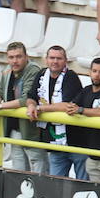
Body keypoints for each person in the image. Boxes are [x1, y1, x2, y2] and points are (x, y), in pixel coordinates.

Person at [0, 41, 46, 173]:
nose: (15, 61)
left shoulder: (33, 69)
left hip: (31, 127)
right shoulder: (7, 70)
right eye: (11, 57)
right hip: (14, 128)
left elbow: (25, 99)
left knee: (38, 164)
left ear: (26, 56)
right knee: (18, 168)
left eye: (18, 57)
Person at [65, 57, 100, 185]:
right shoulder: (85, 90)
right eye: (94, 71)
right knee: (97, 195)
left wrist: (80, 110)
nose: (97, 75)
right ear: (89, 72)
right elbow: (71, 106)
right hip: (91, 156)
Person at [27, 45, 83, 177]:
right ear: (46, 59)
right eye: (52, 58)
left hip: (76, 142)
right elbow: (31, 97)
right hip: (54, 143)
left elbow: (67, 105)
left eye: (59, 58)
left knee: (82, 185)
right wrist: (31, 106)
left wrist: (39, 108)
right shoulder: (41, 74)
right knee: (56, 185)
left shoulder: (71, 76)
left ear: (65, 61)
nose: (55, 61)